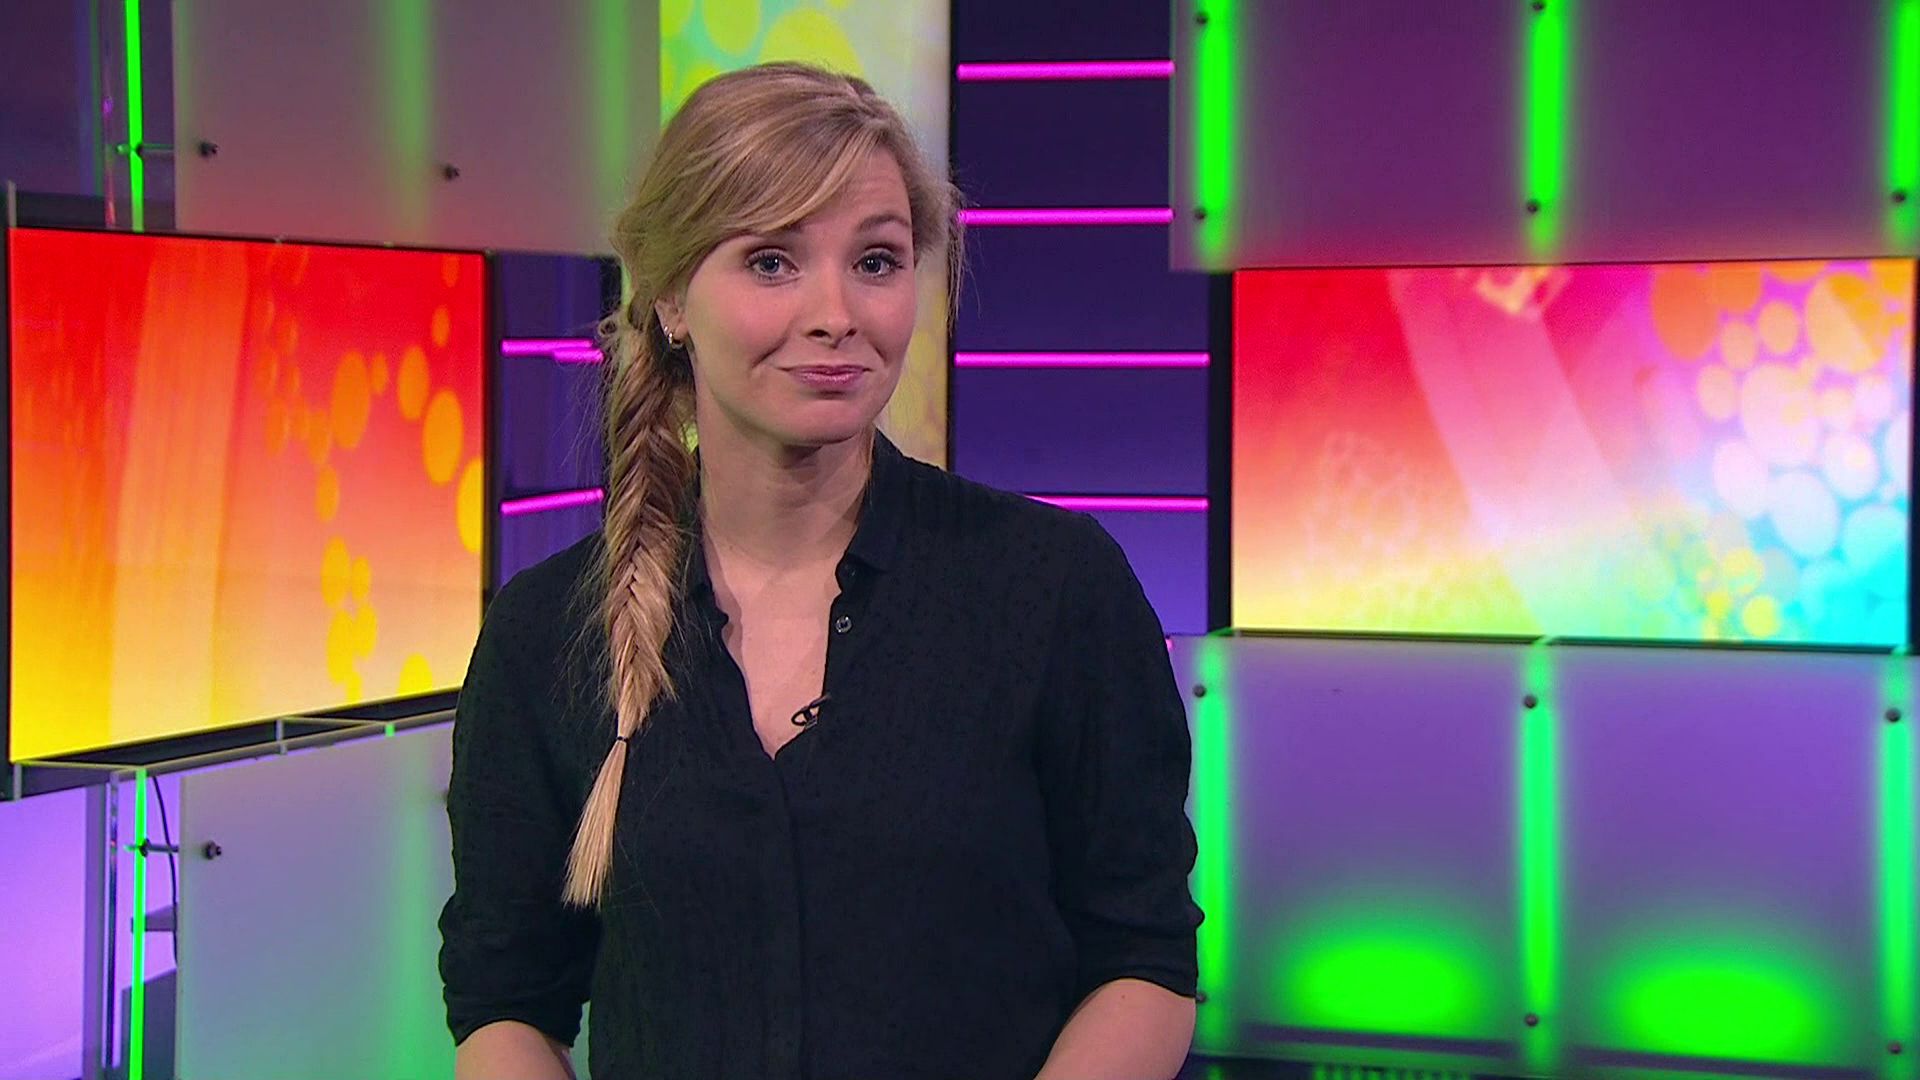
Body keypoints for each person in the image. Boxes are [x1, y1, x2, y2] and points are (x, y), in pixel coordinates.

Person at [438, 62, 1202, 1080]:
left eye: (876, 261)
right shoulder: (548, 633)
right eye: (772, 261)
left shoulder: (1052, 588)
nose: (837, 312)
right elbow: (504, 1003)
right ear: (669, 298)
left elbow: (1144, 958)